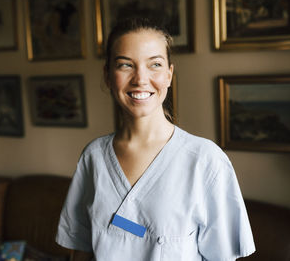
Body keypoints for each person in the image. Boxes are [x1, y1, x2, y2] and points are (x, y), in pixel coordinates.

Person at [56, 17, 255, 261]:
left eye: (155, 64)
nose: (140, 79)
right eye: (125, 65)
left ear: (169, 75)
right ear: (108, 76)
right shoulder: (93, 157)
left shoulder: (206, 160)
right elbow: (81, 250)